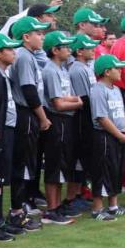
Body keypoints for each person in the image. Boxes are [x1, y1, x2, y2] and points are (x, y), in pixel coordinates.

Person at [0, 33, 32, 243]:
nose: (14, 53)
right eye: (10, 50)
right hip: (0, 133)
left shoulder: (4, 75)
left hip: (8, 131)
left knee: (1, 179)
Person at [6, 16, 52, 230]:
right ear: (26, 37)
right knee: (24, 161)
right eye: (38, 34)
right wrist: (42, 116)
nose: (42, 37)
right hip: (25, 113)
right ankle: (19, 205)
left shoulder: (29, 55)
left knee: (29, 160)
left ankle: (23, 203)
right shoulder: (23, 56)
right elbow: (29, 90)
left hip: (29, 113)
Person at [40, 31, 83, 225]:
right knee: (54, 165)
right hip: (57, 121)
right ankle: (52, 209)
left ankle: (57, 207)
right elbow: (58, 103)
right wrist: (78, 103)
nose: (69, 50)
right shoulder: (50, 70)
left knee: (62, 164)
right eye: (65, 47)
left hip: (66, 121)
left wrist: (72, 100)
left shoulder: (63, 69)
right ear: (55, 50)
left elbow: (69, 97)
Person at [88, 54, 125, 221]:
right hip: (104, 136)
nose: (120, 71)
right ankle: (97, 209)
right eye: (117, 68)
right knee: (102, 170)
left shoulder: (116, 89)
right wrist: (119, 134)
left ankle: (113, 205)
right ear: (106, 72)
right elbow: (101, 117)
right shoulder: (98, 90)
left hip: (119, 135)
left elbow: (121, 112)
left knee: (116, 169)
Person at [67, 33, 100, 212]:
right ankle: (71, 197)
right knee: (78, 158)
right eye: (89, 47)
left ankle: (79, 194)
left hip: (88, 116)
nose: (93, 50)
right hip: (82, 119)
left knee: (84, 158)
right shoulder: (77, 69)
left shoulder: (85, 67)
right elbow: (84, 99)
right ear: (79, 51)